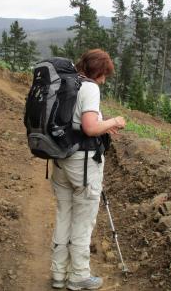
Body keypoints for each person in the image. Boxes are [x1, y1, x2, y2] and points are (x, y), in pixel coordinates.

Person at [50, 49, 126, 290]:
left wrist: (103, 126)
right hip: (82, 165)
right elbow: (90, 127)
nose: (104, 80)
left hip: (61, 159)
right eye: (104, 75)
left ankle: (58, 274)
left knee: (64, 216)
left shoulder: (66, 82)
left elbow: (76, 123)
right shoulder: (90, 87)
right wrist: (114, 122)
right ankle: (79, 276)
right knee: (83, 221)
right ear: (99, 71)